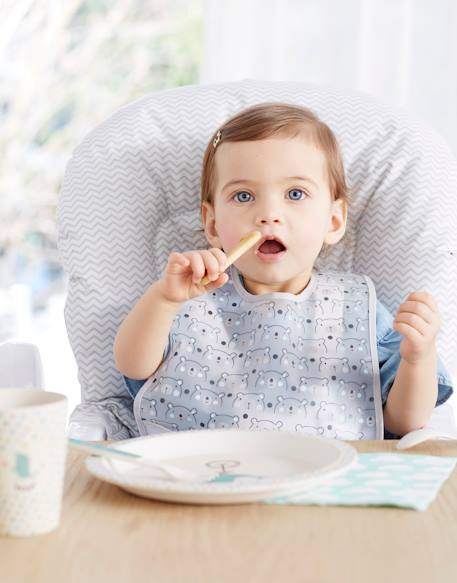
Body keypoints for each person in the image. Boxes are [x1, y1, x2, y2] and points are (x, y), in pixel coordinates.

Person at [113, 102, 453, 440]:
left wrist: (417, 357)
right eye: (243, 195)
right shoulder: (190, 297)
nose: (269, 214)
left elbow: (402, 422)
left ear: (333, 221)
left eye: (295, 193)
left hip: (324, 482)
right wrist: (162, 299)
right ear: (212, 224)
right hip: (196, 472)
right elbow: (133, 366)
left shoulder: (356, 309)